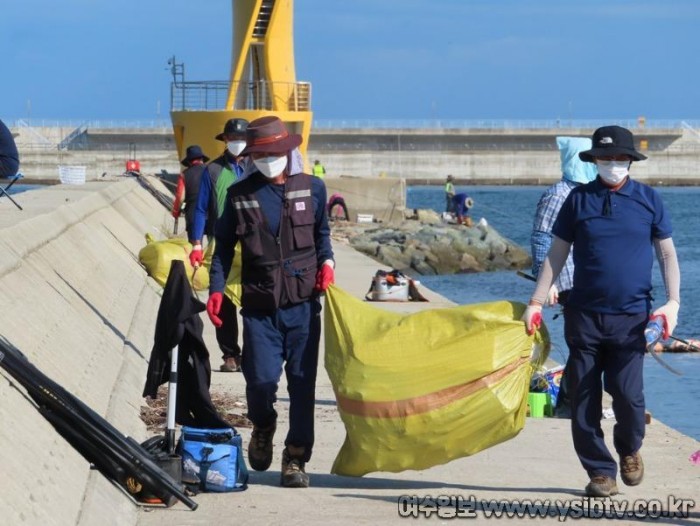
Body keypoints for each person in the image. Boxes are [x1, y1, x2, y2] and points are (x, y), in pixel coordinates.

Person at [521, 125, 681, 498]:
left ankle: (629, 449)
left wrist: (673, 303)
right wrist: (535, 301)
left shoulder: (649, 200)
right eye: (605, 158)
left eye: (619, 158)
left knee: (627, 395)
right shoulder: (577, 200)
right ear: (594, 160)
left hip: (632, 319)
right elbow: (557, 252)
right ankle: (600, 471)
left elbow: (667, 253)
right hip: (584, 315)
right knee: (584, 398)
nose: (612, 164)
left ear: (630, 160)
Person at [207, 116, 334, 488]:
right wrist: (216, 289)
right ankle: (263, 425)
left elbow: (323, 235)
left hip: (303, 307)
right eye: (260, 154)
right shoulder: (239, 195)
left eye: (274, 153)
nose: (268, 160)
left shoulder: (313, 189)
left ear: (288, 151)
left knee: (301, 385)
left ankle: (296, 458)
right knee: (260, 382)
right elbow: (222, 252)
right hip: (260, 308)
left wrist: (328, 262)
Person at [530, 137, 598, 418]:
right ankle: (569, 405)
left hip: (590, 279)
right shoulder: (558, 194)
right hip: (567, 281)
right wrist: (548, 284)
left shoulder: (591, 192)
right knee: (584, 343)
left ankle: (575, 404)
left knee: (592, 344)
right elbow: (541, 238)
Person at [190, 118, 249, 373]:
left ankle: (254, 353)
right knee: (222, 298)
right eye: (232, 139)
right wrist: (196, 243)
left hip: (251, 242)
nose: (237, 143)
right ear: (224, 140)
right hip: (222, 241)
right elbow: (201, 208)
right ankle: (230, 354)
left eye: (242, 139)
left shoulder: (256, 167)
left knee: (253, 299)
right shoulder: (212, 171)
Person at [171, 145, 210, 241]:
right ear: (202, 159)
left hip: (193, 213)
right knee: (214, 246)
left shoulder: (184, 175)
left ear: (189, 161)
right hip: (211, 212)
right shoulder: (210, 171)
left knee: (195, 247)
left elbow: (180, 197)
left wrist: (176, 212)